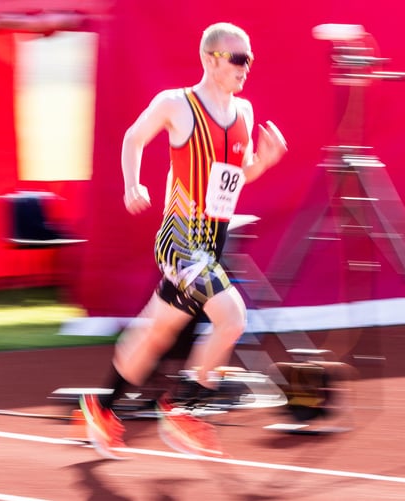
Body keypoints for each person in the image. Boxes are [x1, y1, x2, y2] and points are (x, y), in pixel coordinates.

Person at [80, 21, 287, 459]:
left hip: (210, 245)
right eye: (238, 59)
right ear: (211, 59)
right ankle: (181, 407)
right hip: (180, 241)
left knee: (155, 334)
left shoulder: (245, 113)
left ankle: (102, 406)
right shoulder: (177, 103)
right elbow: (133, 138)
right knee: (232, 317)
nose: (246, 67)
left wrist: (263, 164)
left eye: (250, 59)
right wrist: (131, 185)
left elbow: (237, 176)